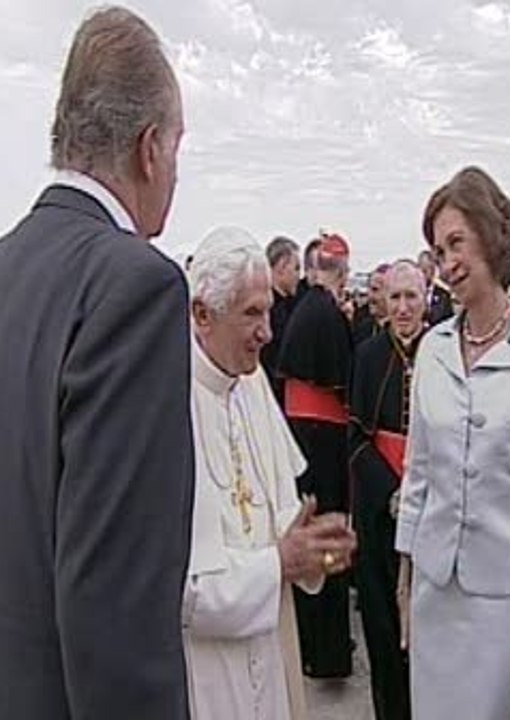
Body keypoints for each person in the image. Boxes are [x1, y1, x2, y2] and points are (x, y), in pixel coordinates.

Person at [0, 8, 195, 718]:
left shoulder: (1, 268)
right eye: (180, 147)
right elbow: (117, 608)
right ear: (150, 148)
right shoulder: (138, 286)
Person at [396, 167, 510, 720]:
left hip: (505, 600)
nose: (447, 263)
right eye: (437, 249)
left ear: (491, 238)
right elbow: (418, 473)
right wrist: (405, 578)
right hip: (434, 591)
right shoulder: (432, 350)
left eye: (456, 243)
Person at [183, 228, 356, 719]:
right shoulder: (166, 402)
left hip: (270, 640)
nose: (269, 332)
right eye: (252, 314)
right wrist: (281, 562)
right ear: (202, 315)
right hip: (209, 669)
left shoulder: (252, 380)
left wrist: (313, 548)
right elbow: (187, 590)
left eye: (266, 310)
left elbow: (281, 514)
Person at [349, 260, 426, 720]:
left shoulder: (443, 351)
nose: (402, 308)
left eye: (410, 297)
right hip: (382, 515)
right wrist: (391, 492)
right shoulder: (368, 355)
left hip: (433, 513)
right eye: (394, 297)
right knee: (382, 627)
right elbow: (357, 439)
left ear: (425, 299)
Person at [277, 233, 355, 678]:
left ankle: (314, 646)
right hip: (324, 444)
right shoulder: (327, 314)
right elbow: (343, 385)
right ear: (340, 273)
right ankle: (328, 653)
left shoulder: (308, 309)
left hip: (305, 437)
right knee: (327, 541)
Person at [260, 235, 301, 405]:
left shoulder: (287, 307)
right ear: (282, 266)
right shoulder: (267, 309)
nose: (299, 276)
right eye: (296, 268)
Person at [353, 263, 390, 346]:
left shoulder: (402, 330)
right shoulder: (362, 329)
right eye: (369, 288)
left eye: (375, 290)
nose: (369, 295)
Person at [417, 250, 453, 325]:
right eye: (420, 270)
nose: (422, 275)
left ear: (432, 271)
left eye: (425, 271)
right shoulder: (412, 295)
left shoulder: (444, 296)